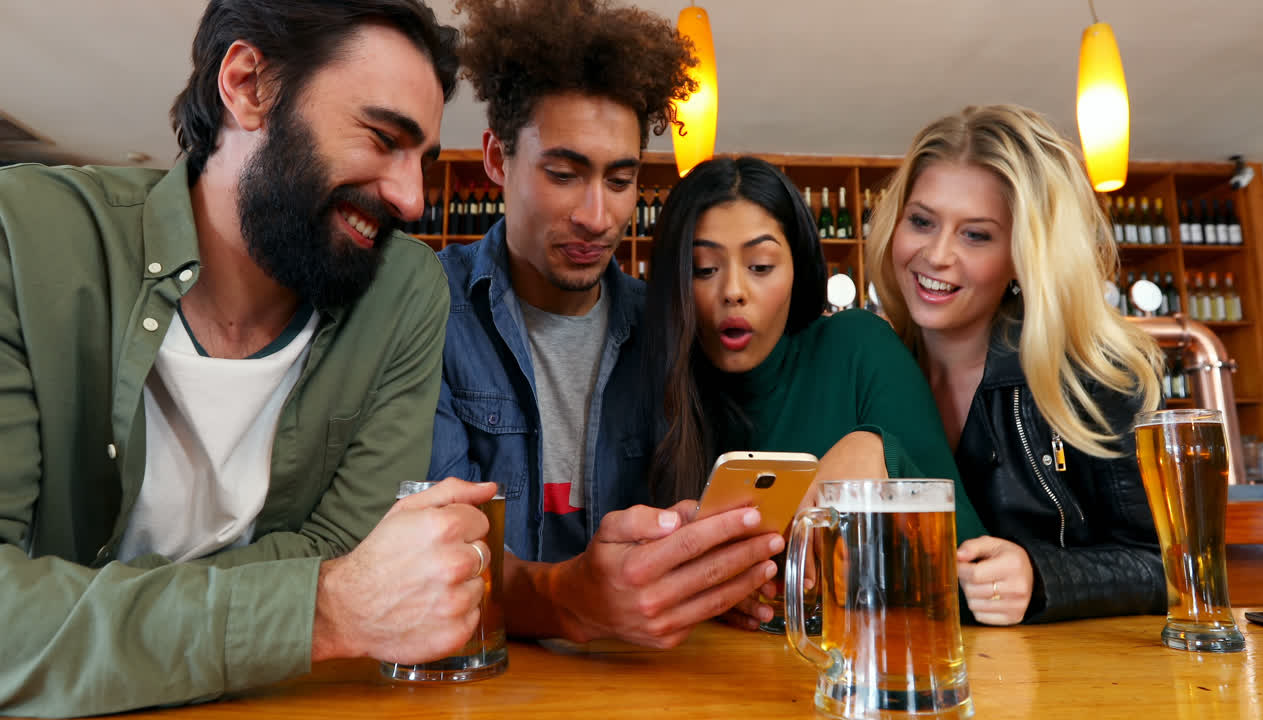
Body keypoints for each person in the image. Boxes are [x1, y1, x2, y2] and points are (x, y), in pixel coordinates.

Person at [0, 2, 497, 715]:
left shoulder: (404, 294)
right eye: (382, 137)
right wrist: (319, 609)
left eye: (421, 159)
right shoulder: (22, 238)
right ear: (247, 85)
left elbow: (348, 551)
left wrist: (82, 613)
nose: (413, 200)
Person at [427, 0, 782, 649]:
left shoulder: (669, 325)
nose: (598, 215)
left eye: (621, 180)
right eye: (564, 174)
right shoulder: (432, 310)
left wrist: (716, 579)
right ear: (498, 160)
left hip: (640, 683)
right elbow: (437, 561)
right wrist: (570, 599)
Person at [642, 156, 987, 630]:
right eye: (704, 269)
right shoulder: (654, 384)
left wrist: (881, 456)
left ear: (799, 271)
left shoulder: (859, 350)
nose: (733, 291)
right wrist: (713, 595)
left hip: (859, 673)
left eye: (761, 265)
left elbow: (973, 577)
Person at [865, 104, 1167, 625]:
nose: (936, 255)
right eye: (921, 221)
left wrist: (1041, 575)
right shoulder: (869, 370)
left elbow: (1167, 569)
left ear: (1024, 255)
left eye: (975, 235)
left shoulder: (1094, 377)